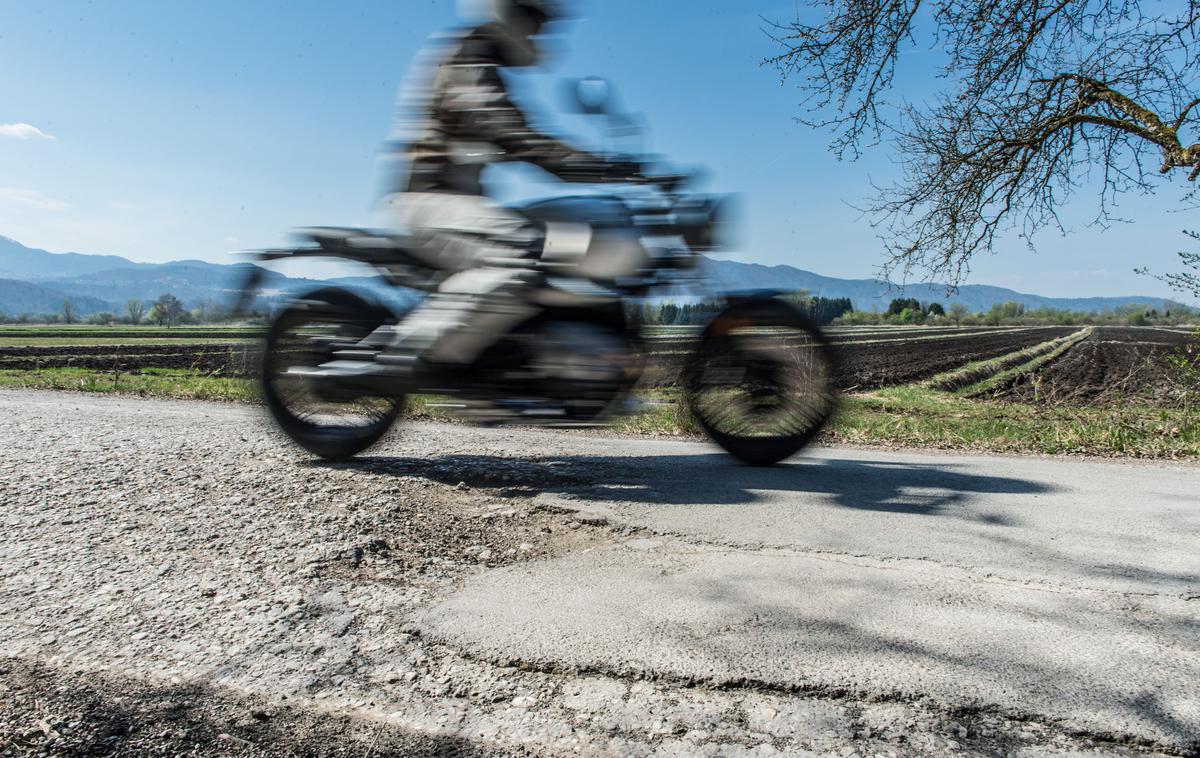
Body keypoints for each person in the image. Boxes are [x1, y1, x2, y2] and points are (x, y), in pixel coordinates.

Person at [378, 0, 640, 368]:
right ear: (510, 13)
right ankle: (404, 353)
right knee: (518, 258)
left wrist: (604, 165)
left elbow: (519, 132)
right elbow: (505, 129)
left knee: (559, 243)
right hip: (428, 201)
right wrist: (586, 163)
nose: (539, 33)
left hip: (460, 206)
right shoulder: (467, 59)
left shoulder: (487, 65)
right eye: (534, 21)